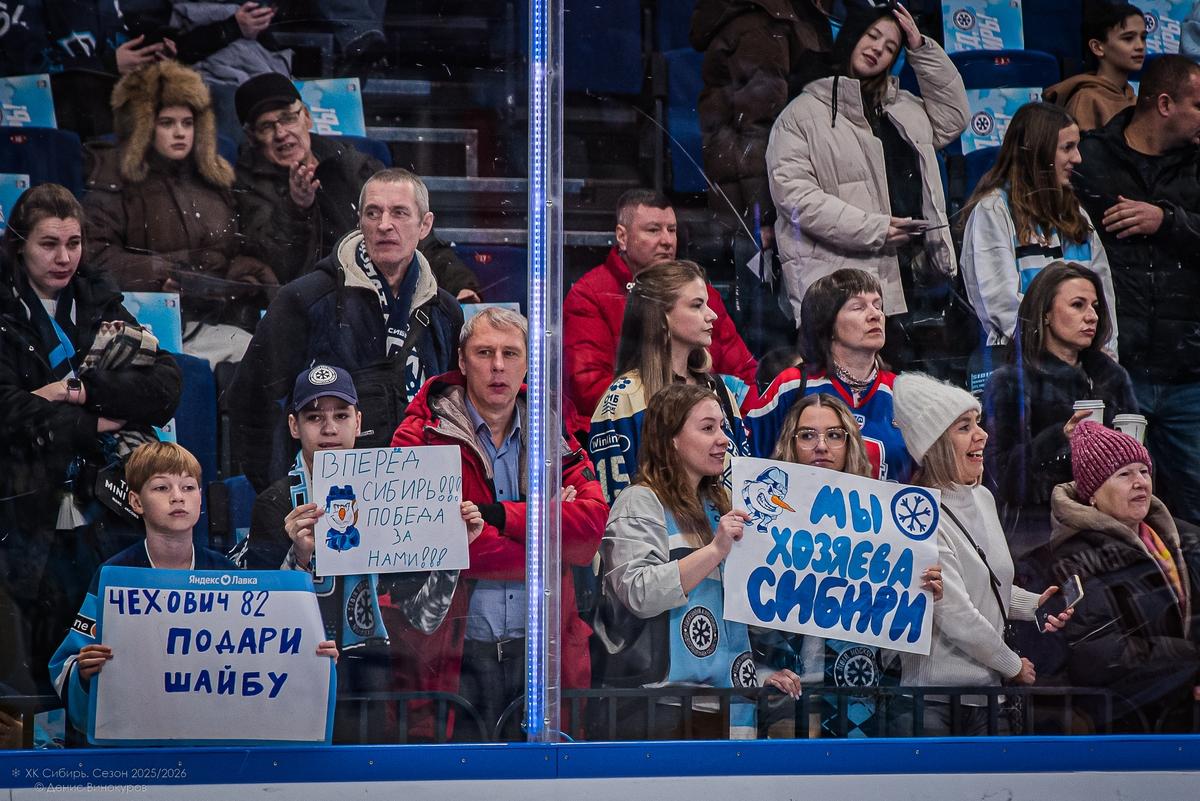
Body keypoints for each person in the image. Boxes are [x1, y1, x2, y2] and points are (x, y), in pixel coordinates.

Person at [230, 363, 482, 742]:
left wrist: (452, 549)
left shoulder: (390, 492)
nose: (329, 428)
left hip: (374, 672)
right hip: (295, 669)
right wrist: (297, 556)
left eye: (341, 415)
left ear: (358, 420)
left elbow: (423, 617)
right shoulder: (274, 503)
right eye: (314, 417)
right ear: (295, 426)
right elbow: (258, 619)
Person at [390, 307, 606, 740]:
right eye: (484, 352)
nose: (498, 366)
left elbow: (592, 527)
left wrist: (498, 518)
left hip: (543, 652)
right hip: (457, 655)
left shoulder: (554, 432)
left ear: (528, 363)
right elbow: (442, 546)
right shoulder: (418, 434)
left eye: (511, 353)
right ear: (461, 360)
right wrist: (549, 538)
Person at [0, 184, 181, 697]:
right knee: (32, 666)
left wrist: (76, 393)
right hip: (21, 501)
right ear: (19, 244)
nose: (64, 258)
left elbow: (164, 386)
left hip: (101, 504)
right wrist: (93, 423)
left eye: (74, 243)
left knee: (105, 653)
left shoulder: (100, 297)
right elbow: (6, 409)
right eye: (49, 244)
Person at [48, 441, 339, 735]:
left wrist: (308, 656)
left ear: (200, 499)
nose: (178, 497)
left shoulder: (226, 575)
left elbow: (267, 652)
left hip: (212, 741)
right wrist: (84, 674)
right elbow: (65, 666)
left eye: (188, 488)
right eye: (162, 488)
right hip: (137, 745)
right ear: (136, 502)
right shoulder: (114, 577)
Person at [227, 168, 463, 492]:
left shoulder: (444, 312)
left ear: (425, 225)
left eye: (399, 213)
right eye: (373, 213)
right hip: (327, 499)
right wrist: (281, 493)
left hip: (417, 499)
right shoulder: (305, 300)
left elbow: (454, 411)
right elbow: (251, 402)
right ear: (360, 223)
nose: (384, 224)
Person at [765, 3, 968, 370]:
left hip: (903, 278)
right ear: (852, 36)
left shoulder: (902, 106)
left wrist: (920, 48)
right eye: (872, 36)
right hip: (835, 287)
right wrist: (875, 229)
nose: (878, 49)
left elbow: (953, 118)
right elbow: (795, 197)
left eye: (890, 46)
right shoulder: (801, 114)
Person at [594, 383, 802, 739]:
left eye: (722, 427)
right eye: (708, 428)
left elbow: (732, 617)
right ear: (670, 439)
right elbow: (637, 593)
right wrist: (715, 550)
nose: (723, 439)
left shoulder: (721, 507)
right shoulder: (640, 501)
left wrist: (762, 671)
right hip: (659, 708)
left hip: (728, 706)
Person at [755, 393, 943, 738]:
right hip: (785, 689)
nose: (821, 446)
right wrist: (759, 669)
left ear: (849, 443)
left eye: (834, 435)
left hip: (860, 692)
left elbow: (895, 623)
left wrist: (923, 593)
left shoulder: (883, 519)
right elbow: (743, 609)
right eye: (808, 435)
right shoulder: (762, 518)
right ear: (790, 443)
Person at [892, 372, 1070, 736]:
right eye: (964, 427)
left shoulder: (984, 498)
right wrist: (1011, 665)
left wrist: (1034, 603)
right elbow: (953, 611)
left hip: (990, 694)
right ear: (936, 443)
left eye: (977, 422)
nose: (982, 435)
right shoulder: (918, 512)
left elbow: (986, 582)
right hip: (935, 700)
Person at [1072, 54, 1200, 523]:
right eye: (1198, 104)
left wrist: (1166, 220)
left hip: (1190, 372)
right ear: (1164, 103)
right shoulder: (1091, 158)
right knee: (1119, 511)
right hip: (1118, 371)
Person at [83, 60, 277, 367]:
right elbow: (92, 254)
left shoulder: (213, 180)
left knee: (259, 358)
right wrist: (159, 274)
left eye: (187, 123)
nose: (180, 133)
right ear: (144, 125)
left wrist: (242, 273)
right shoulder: (114, 176)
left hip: (212, 319)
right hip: (143, 325)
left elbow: (232, 247)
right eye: (167, 123)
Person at [231, 72, 478, 295]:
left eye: (287, 118)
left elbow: (416, 237)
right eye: (266, 126)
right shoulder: (242, 184)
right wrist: (295, 207)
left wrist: (461, 285)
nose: (281, 133)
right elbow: (274, 266)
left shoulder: (353, 165)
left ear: (306, 117)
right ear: (252, 136)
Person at [689, 0, 834, 355]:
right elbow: (757, 135)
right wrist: (764, 221)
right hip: (762, 212)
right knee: (769, 343)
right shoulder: (761, 28)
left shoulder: (767, 20)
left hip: (759, 206)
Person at [563, 190, 757, 436]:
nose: (667, 241)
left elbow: (744, 374)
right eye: (654, 230)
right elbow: (588, 388)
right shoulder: (590, 294)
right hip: (634, 434)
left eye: (672, 230)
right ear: (622, 237)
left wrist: (741, 428)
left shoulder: (704, 294)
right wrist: (679, 416)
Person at [1047, 421, 1200, 732]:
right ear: (1092, 495)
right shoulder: (1073, 558)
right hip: (1125, 727)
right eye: (1124, 474)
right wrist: (1191, 663)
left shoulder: (1185, 539)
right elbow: (1098, 654)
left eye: (1144, 471)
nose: (1140, 482)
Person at [983, 262, 1137, 562]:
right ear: (1046, 315)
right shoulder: (1010, 381)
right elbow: (999, 479)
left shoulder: (1111, 377)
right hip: (1040, 532)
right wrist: (1059, 438)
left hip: (1114, 523)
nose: (1091, 316)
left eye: (1094, 306)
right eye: (1078, 305)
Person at [587, 260, 752, 504]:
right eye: (697, 305)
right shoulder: (622, 399)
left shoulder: (720, 391)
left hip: (729, 539)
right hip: (655, 540)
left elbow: (745, 483)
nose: (712, 314)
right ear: (662, 317)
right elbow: (615, 506)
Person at [960, 102, 1118, 353]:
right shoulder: (994, 211)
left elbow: (1104, 302)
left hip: (1081, 366)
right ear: (1038, 152)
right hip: (1023, 368)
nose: (1078, 158)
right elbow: (1002, 308)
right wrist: (1059, 354)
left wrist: (1105, 365)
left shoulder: (1077, 215)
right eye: (1067, 148)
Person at [743, 268, 911, 483]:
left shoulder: (902, 393)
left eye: (877, 305)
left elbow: (926, 475)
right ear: (828, 325)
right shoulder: (791, 386)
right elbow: (749, 464)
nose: (875, 315)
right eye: (858, 307)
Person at [1044, 3, 1145, 131]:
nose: (1140, 46)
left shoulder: (1134, 99)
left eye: (1143, 37)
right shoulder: (1085, 100)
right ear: (1097, 47)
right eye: (1128, 38)